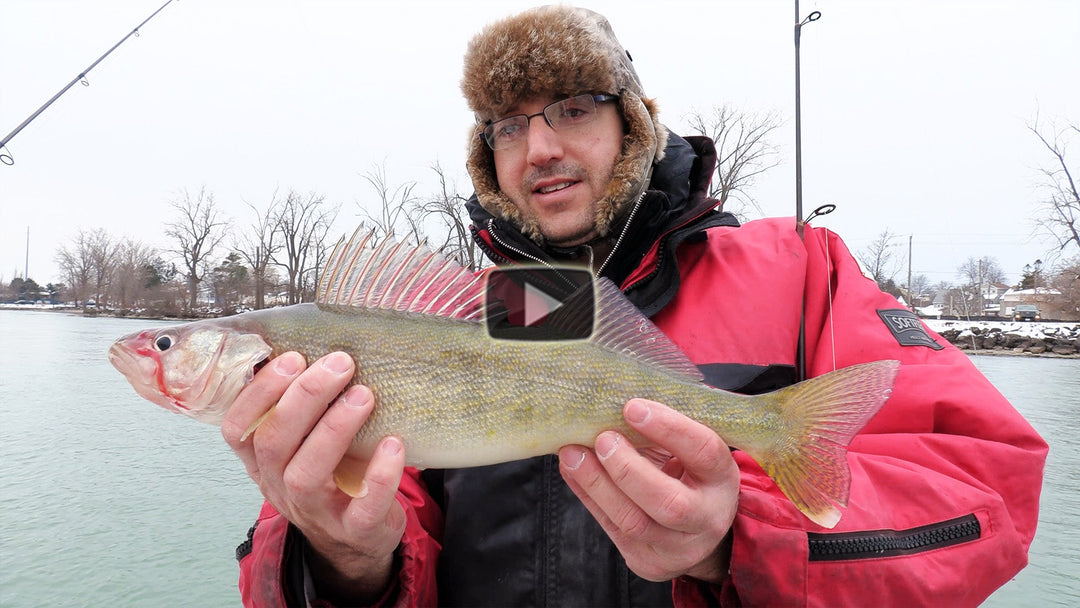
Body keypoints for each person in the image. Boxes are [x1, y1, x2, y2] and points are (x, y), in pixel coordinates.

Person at [222, 6, 1047, 606]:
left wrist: (738, 540)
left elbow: (992, 495)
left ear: (635, 123)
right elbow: (363, 529)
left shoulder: (799, 269)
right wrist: (341, 563)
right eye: (507, 127)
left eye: (573, 109)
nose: (540, 146)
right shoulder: (448, 321)